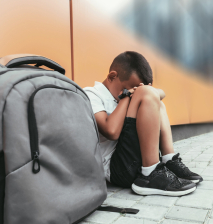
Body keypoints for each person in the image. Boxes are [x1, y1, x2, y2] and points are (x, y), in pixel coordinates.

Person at [84, 51, 203, 196]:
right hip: (117, 169)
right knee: (148, 95)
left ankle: (168, 160)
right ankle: (150, 173)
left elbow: (161, 93)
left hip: (133, 160)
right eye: (129, 89)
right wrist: (126, 97)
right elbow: (112, 131)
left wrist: (145, 92)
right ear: (112, 76)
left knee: (158, 103)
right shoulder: (92, 94)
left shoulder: (127, 93)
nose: (132, 92)